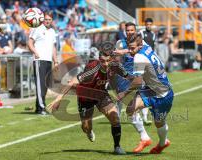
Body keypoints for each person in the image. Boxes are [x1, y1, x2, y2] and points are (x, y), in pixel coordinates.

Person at [62, 42, 126, 154]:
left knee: (115, 118)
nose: (106, 64)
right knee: (86, 127)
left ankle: (117, 147)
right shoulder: (93, 68)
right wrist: (58, 100)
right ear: (99, 59)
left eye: (108, 61)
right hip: (85, 96)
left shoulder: (115, 66)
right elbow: (73, 82)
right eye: (103, 61)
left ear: (111, 59)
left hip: (101, 93)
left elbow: (129, 77)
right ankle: (89, 131)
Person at [120, 34, 174, 154]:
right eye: (129, 48)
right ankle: (145, 138)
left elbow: (138, 82)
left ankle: (162, 143)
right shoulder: (146, 46)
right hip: (150, 89)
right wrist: (121, 52)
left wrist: (122, 94)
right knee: (130, 109)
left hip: (163, 94)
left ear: (139, 46)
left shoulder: (139, 57)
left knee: (159, 122)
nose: (130, 51)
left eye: (132, 48)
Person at [113, 22, 152, 153]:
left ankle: (144, 135)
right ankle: (142, 135)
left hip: (137, 76)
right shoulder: (120, 42)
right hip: (123, 78)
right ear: (125, 31)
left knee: (131, 107)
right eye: (127, 30)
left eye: (131, 30)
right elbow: (117, 59)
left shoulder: (141, 41)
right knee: (122, 108)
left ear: (135, 31)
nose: (129, 32)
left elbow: (147, 52)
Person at [28, 11, 58, 115]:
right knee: (40, 85)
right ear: (42, 19)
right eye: (46, 19)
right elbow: (30, 43)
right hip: (39, 60)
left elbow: (53, 47)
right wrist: (35, 52)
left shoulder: (52, 31)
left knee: (45, 85)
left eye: (49, 19)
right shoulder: (37, 29)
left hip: (48, 60)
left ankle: (38, 107)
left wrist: (56, 60)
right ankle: (41, 108)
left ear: (52, 20)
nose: (47, 21)